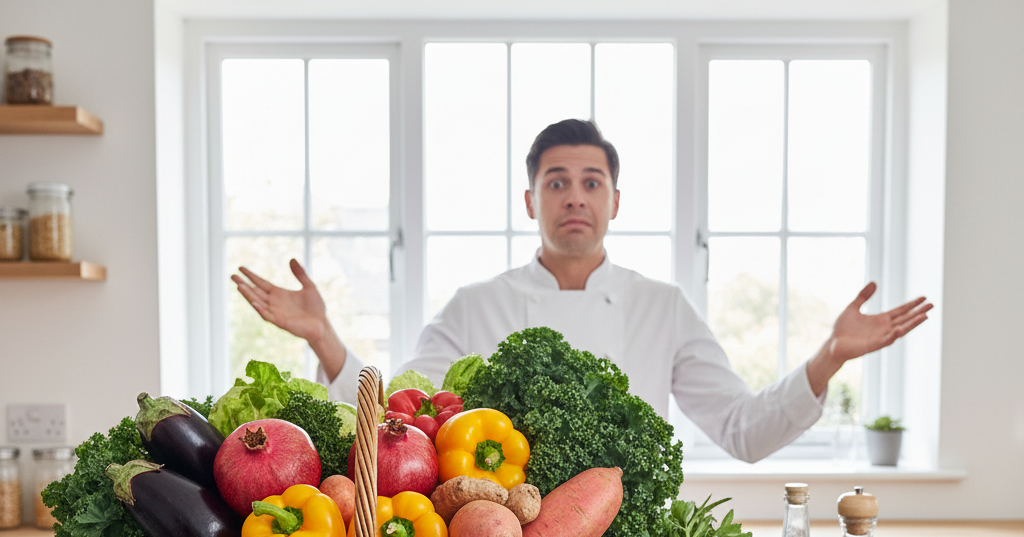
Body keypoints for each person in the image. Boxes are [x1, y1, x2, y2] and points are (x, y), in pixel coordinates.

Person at [233, 119, 931, 463]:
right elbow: (399, 416)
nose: (575, 197)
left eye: (591, 182)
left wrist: (829, 357)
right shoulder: (477, 306)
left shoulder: (662, 306)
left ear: (616, 201)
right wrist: (325, 339)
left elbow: (744, 433)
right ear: (529, 198)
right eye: (556, 181)